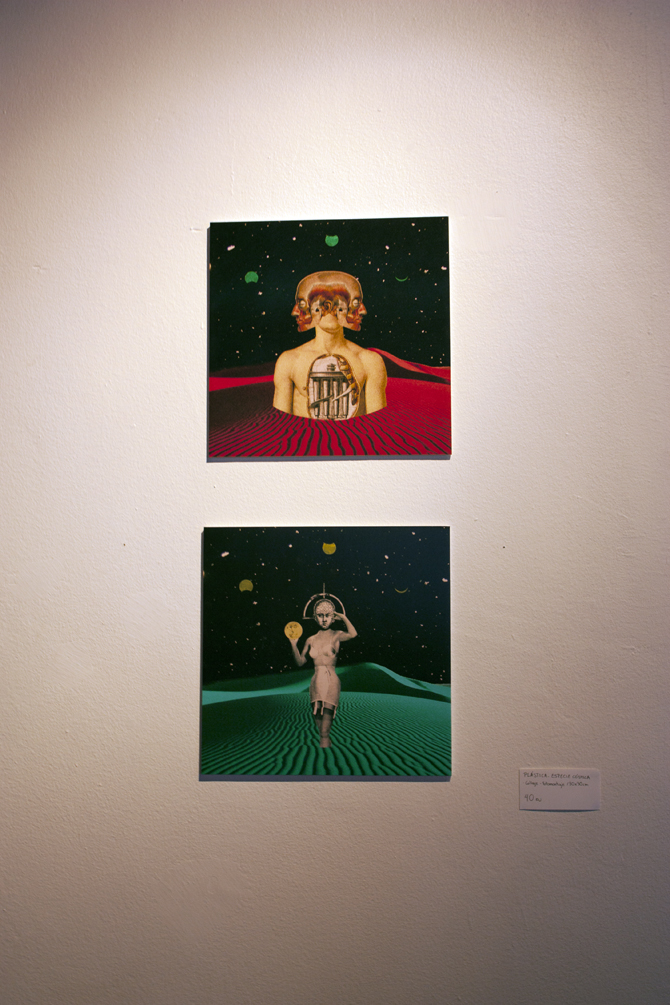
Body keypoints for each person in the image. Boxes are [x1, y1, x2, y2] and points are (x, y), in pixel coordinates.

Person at [273, 270, 387, 419]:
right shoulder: (289, 361)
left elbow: (376, 425)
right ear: (308, 307)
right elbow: (281, 425)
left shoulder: (370, 361)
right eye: (322, 303)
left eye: (338, 302)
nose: (330, 312)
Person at [288, 598, 357, 748]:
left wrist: (343, 617)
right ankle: (326, 749)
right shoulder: (310, 639)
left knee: (325, 731)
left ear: (333, 618)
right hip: (316, 681)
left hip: (331, 680)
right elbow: (300, 662)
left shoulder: (336, 635)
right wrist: (293, 645)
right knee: (319, 725)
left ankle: (325, 750)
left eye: (327, 615)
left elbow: (353, 634)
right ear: (315, 617)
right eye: (320, 615)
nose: (324, 619)